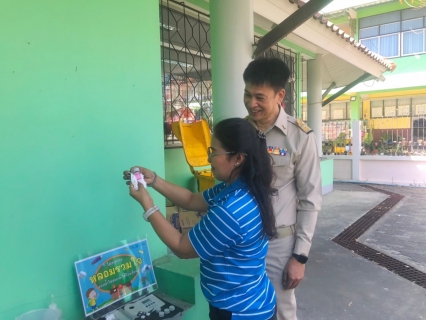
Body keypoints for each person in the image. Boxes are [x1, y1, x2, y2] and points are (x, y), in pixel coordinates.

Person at [123, 118, 278, 320]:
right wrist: (154, 180)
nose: (209, 159)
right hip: (253, 300)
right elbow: (191, 199)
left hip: (240, 311)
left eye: (213, 152)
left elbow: (182, 247)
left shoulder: (230, 211)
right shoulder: (239, 188)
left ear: (238, 159)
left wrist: (148, 206)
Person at [243, 57, 322, 320]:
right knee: (242, 305)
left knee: (280, 310)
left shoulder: (300, 137)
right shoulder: (240, 132)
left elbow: (310, 199)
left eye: (259, 97)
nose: (251, 103)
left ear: (280, 95)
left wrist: (299, 257)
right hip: (241, 238)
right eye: (247, 95)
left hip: (278, 242)